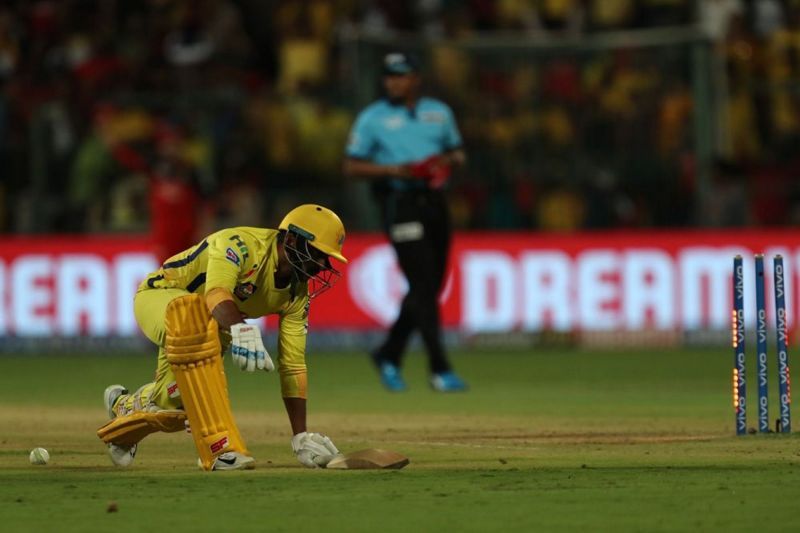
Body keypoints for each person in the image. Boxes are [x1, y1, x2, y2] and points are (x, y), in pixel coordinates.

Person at [98, 204, 347, 470]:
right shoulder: (239, 245)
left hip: (210, 327)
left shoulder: (297, 295)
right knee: (197, 321)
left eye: (326, 258)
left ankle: (123, 410)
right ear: (291, 238)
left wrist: (301, 435)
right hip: (160, 298)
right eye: (317, 254)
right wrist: (242, 328)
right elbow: (216, 294)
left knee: (173, 405)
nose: (321, 265)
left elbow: (293, 366)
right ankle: (219, 450)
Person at [343, 52, 468, 393]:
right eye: (389, 76)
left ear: (416, 78)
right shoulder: (373, 118)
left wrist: (441, 162)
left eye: (401, 75)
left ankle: (388, 353)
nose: (394, 82)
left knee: (431, 285)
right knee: (423, 285)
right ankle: (439, 368)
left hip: (434, 202)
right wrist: (395, 170)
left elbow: (458, 153)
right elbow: (352, 166)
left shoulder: (438, 113)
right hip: (400, 203)